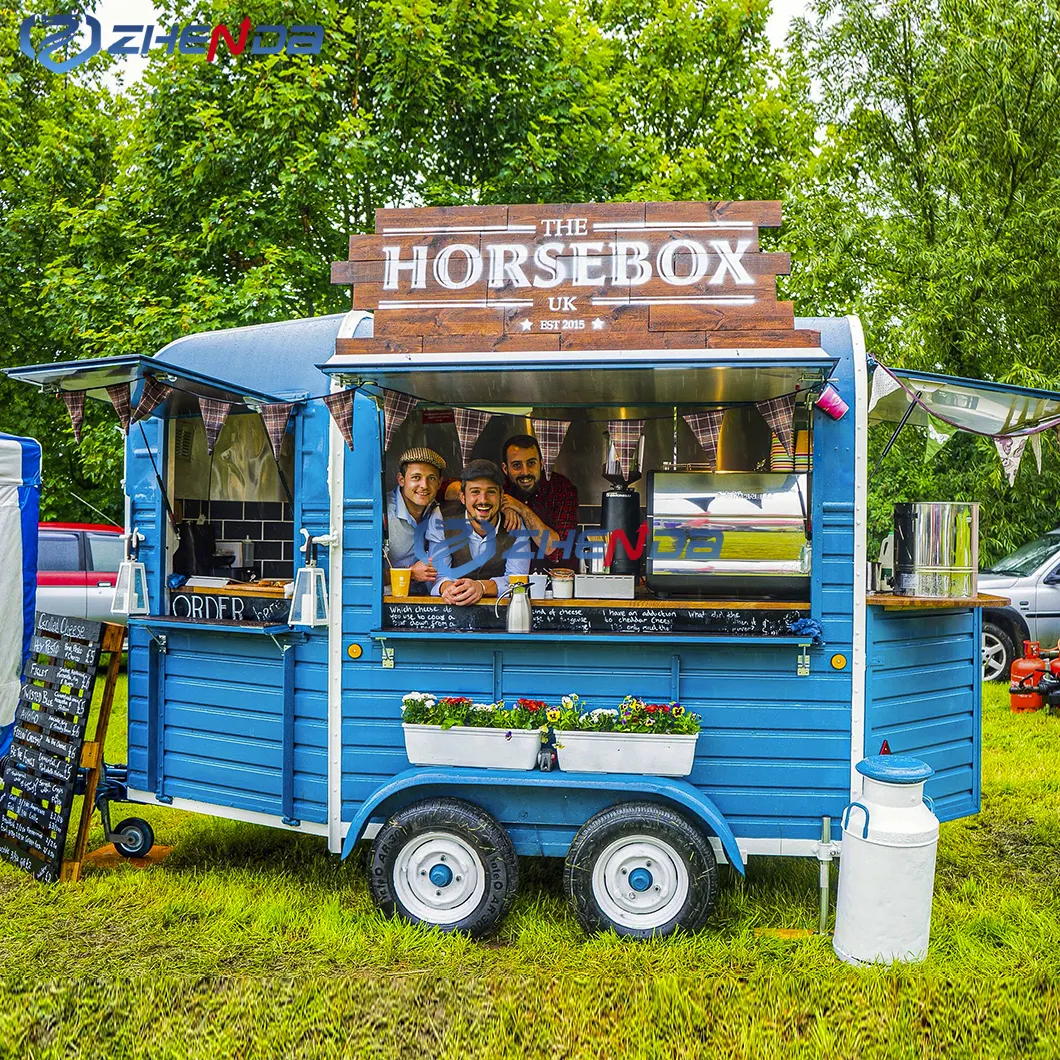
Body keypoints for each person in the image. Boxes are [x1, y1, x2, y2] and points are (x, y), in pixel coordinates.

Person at [425, 459, 531, 605]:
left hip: (500, 612)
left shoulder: (515, 525)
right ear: (463, 497)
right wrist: (449, 589)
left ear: (501, 496)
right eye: (475, 492)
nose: (483, 500)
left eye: (491, 492)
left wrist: (481, 587)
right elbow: (438, 575)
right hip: (452, 608)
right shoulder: (442, 517)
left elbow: (518, 580)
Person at [498, 434, 579, 571]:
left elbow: (556, 551)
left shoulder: (561, 488)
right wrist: (502, 502)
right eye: (517, 465)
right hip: (509, 582)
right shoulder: (498, 489)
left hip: (558, 581)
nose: (525, 472)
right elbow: (456, 488)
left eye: (531, 463)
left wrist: (519, 507)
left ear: (542, 464)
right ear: (505, 469)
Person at [386, 447, 446, 591]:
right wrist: (410, 573)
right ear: (401, 480)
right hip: (387, 602)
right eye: (416, 477)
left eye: (431, 478)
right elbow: (364, 572)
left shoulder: (437, 511)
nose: (424, 486)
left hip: (425, 603)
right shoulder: (384, 513)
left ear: (439, 483)